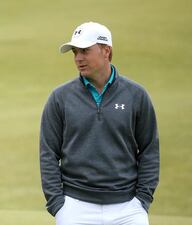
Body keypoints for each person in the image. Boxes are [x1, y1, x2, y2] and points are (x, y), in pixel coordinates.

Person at [39, 22, 159, 225]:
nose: (78, 58)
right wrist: (57, 204)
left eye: (85, 51)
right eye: (75, 52)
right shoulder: (60, 97)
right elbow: (48, 153)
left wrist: (142, 200)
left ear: (106, 51)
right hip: (75, 207)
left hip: (128, 208)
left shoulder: (136, 95)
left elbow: (149, 150)